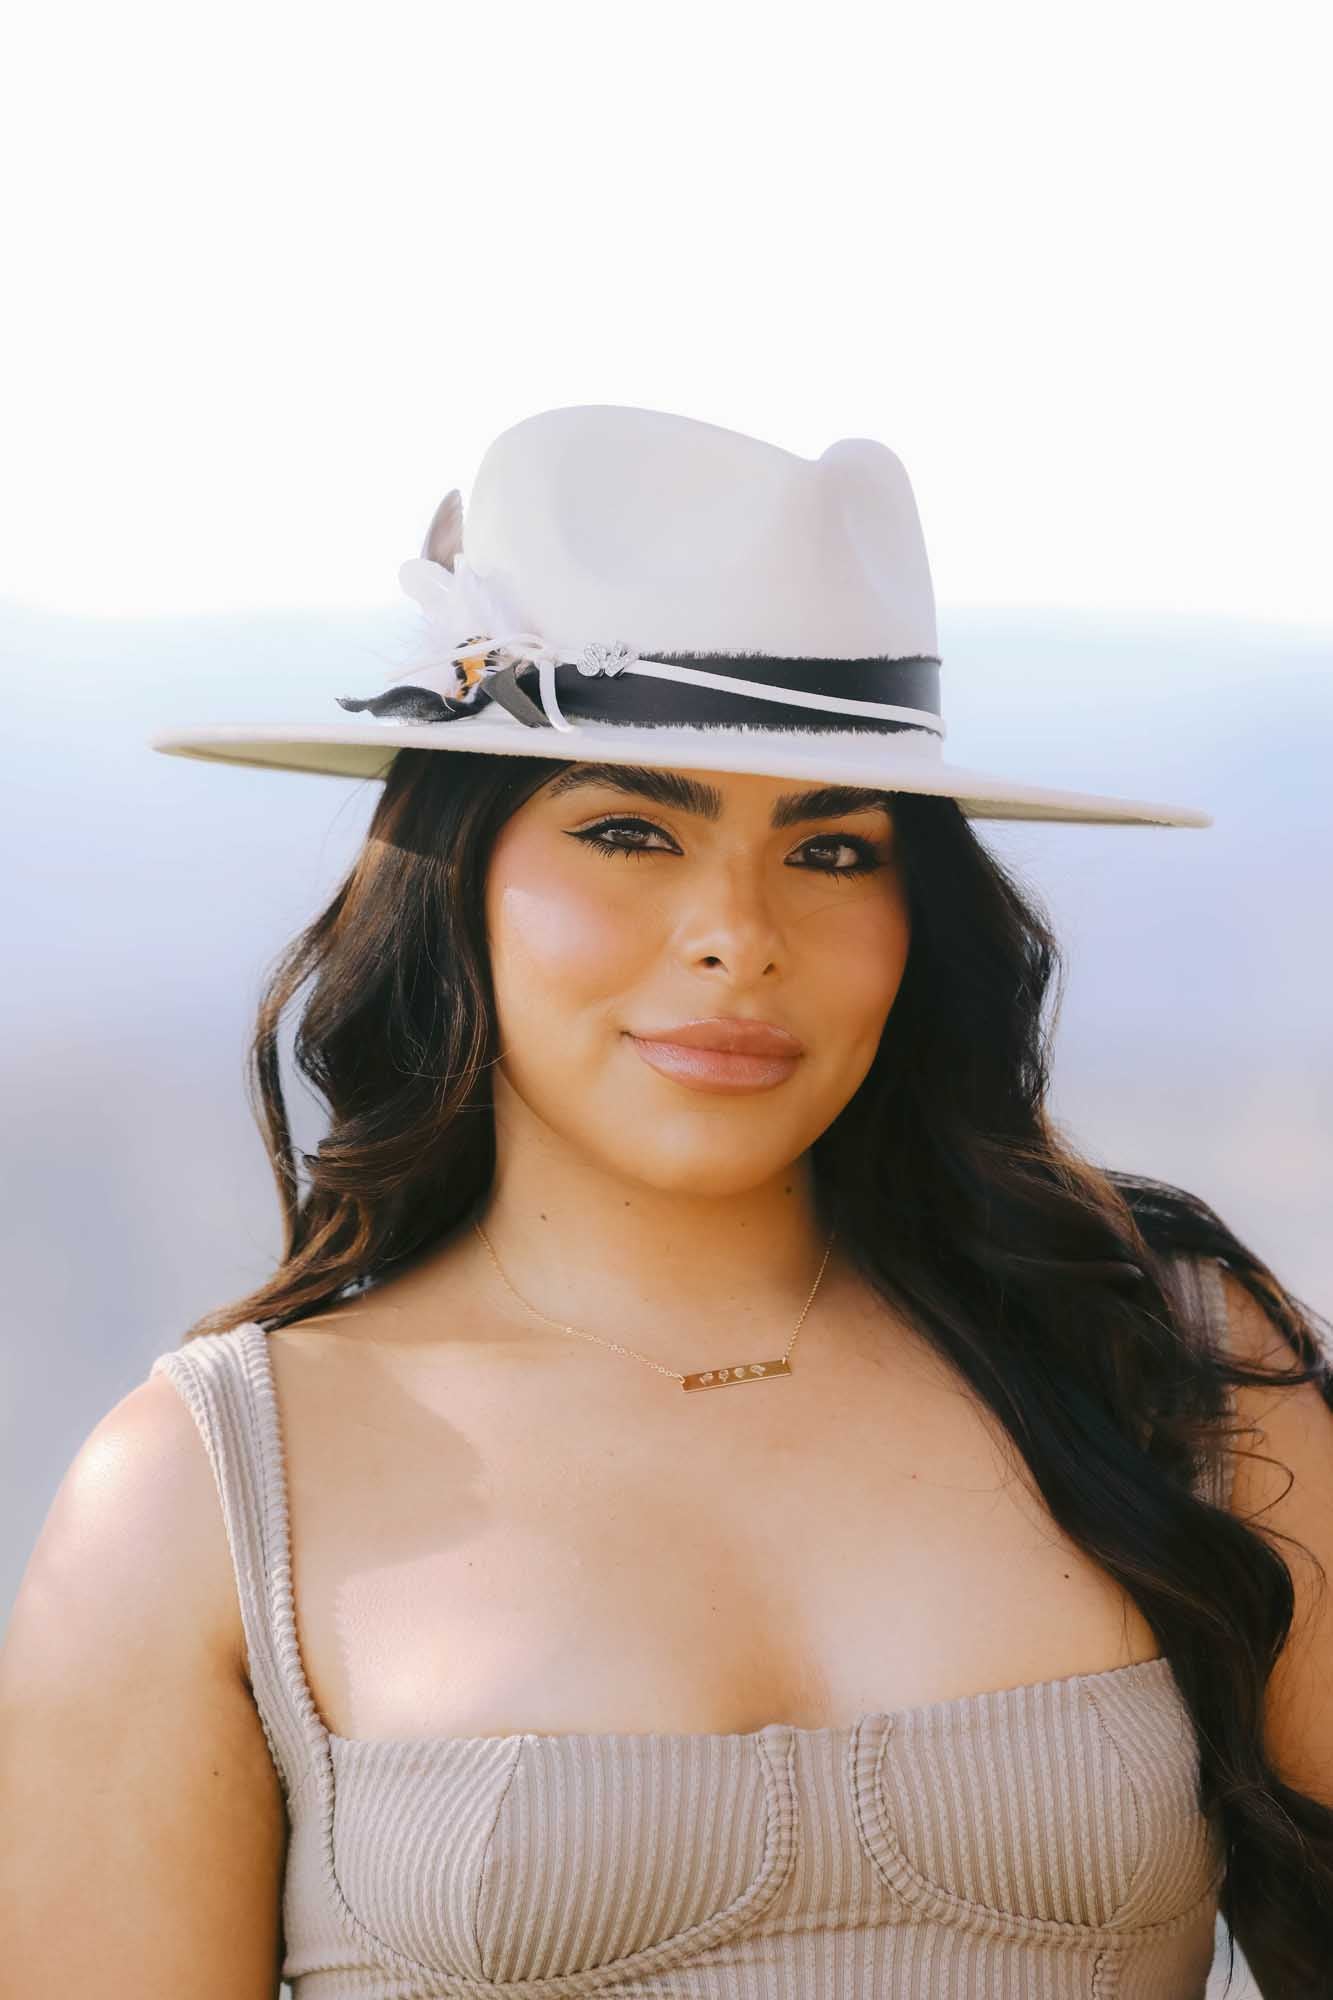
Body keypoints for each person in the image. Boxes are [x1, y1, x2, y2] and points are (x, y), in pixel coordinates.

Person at [3, 404, 1331, 1996]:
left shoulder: (1163, 1362)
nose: (735, 936)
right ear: (453, 880)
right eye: (627, 830)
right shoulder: (206, 1494)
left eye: (831, 851)